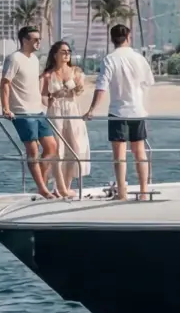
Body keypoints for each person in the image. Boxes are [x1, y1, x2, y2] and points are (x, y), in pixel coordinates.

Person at [85, 22, 155, 201]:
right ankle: (144, 191)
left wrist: (92, 109)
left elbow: (101, 87)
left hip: (118, 111)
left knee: (119, 154)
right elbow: (148, 82)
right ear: (128, 37)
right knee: (140, 151)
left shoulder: (110, 59)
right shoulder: (139, 58)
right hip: (138, 110)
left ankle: (122, 191)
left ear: (112, 39)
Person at [0, 25, 59, 199]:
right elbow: (5, 83)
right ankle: (42, 188)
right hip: (22, 112)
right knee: (33, 150)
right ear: (25, 40)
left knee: (52, 147)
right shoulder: (14, 59)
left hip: (38, 110)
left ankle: (42, 184)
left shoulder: (34, 59)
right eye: (35, 39)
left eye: (39, 39)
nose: (39, 42)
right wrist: (5, 108)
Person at [41, 40, 91, 198]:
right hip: (55, 111)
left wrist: (77, 86)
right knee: (58, 150)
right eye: (63, 51)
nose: (67, 54)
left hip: (72, 110)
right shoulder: (48, 75)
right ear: (55, 54)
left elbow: (80, 90)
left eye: (68, 51)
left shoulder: (76, 71)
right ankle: (60, 187)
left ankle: (66, 185)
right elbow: (43, 99)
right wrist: (54, 95)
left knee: (75, 148)